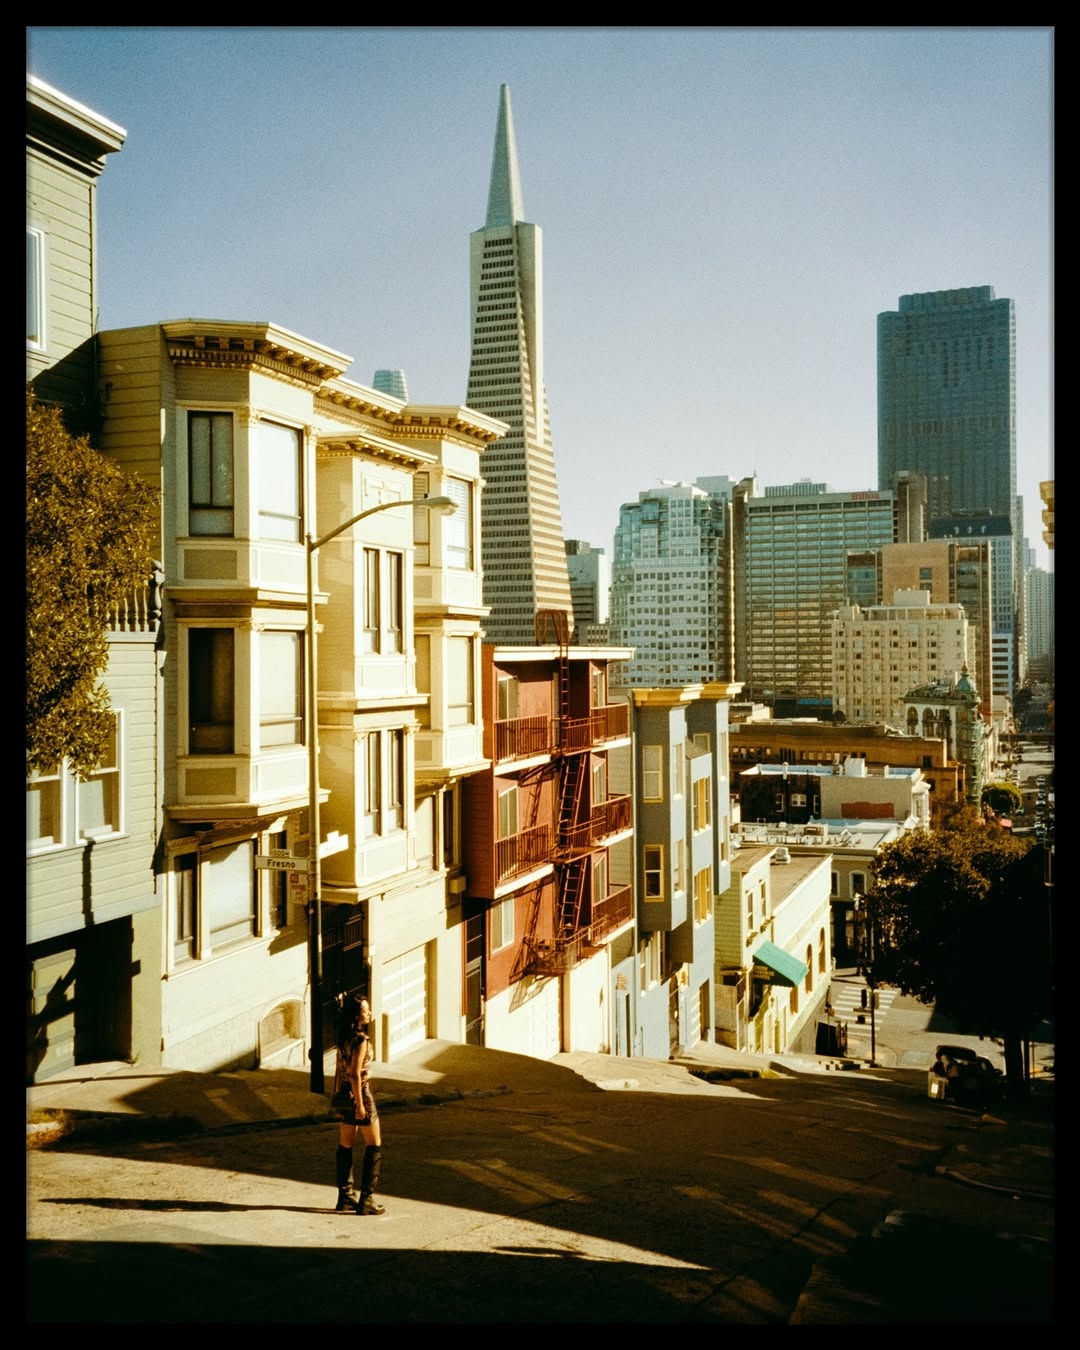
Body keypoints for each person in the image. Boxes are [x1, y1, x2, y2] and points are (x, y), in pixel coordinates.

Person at [331, 994, 386, 1215]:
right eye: (366, 1011)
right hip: (360, 1092)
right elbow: (354, 1073)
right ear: (357, 1015)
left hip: (344, 1094)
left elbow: (340, 1070)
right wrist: (361, 1105)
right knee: (374, 1144)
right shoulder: (361, 1040)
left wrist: (337, 1095)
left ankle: (345, 1196)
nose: (369, 1014)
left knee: (346, 1144)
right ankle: (367, 1199)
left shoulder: (343, 1037)